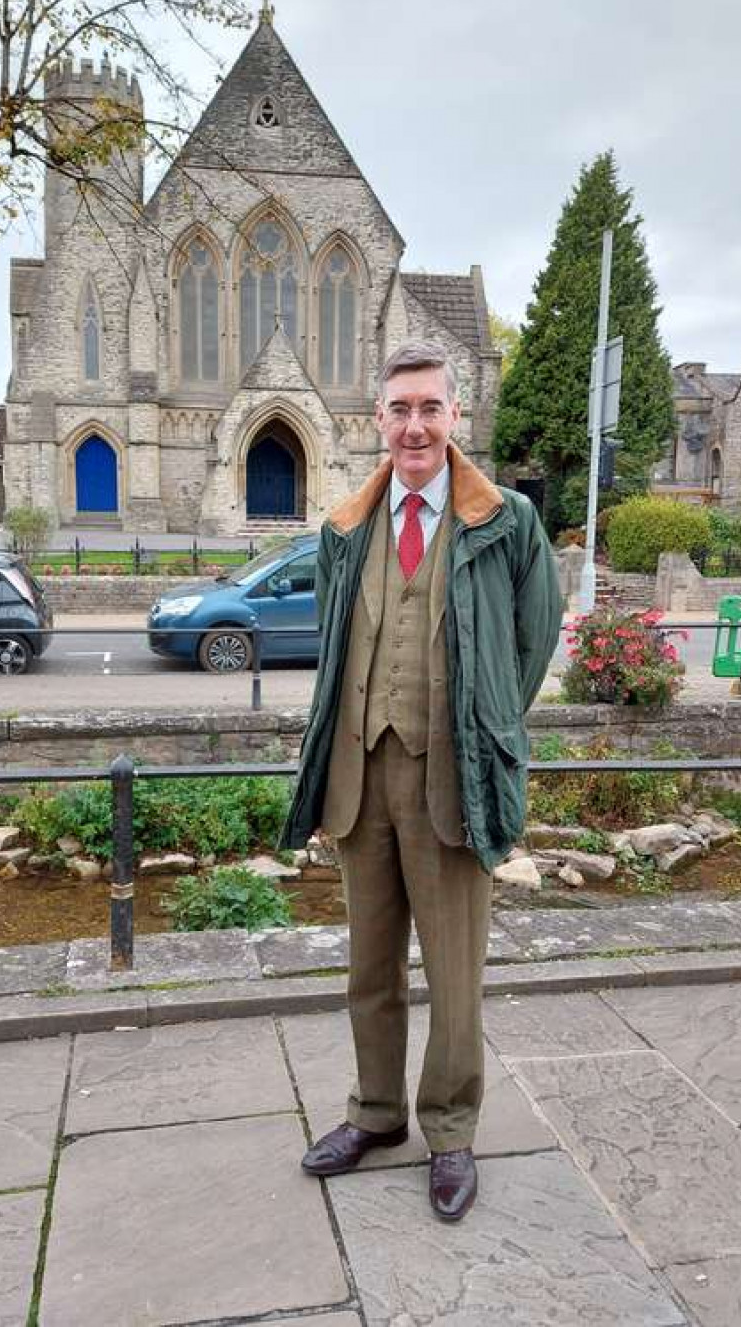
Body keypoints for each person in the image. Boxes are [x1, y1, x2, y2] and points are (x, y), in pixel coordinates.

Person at [280, 340, 562, 1222]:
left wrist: (483, 728)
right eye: (399, 409)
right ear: (378, 419)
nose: (414, 425)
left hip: (454, 780)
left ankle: (450, 1133)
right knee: (370, 967)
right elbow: (336, 652)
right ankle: (375, 1114)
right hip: (361, 780)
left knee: (455, 974)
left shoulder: (505, 522)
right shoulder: (347, 527)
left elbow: (533, 640)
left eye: (430, 408)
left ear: (454, 417)